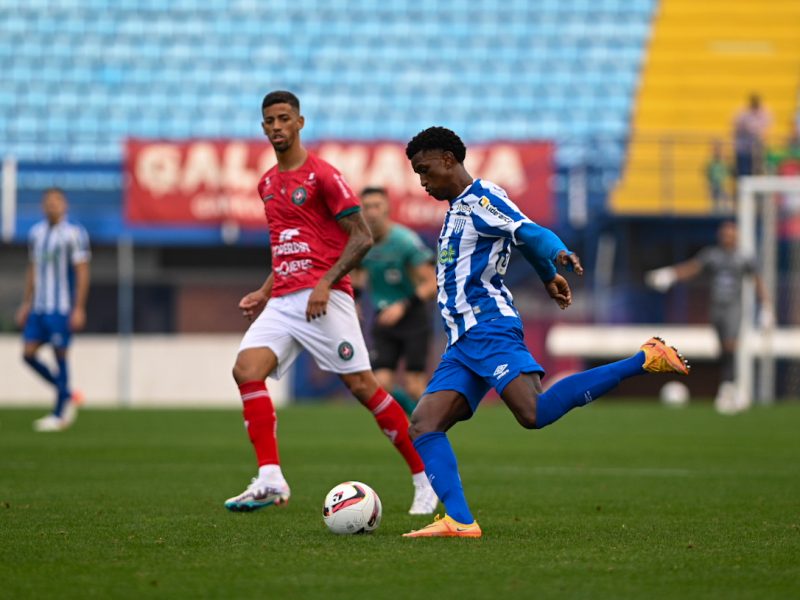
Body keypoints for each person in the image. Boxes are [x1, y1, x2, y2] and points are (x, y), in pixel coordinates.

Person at [400, 127, 690, 538]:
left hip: (489, 328)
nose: (423, 182)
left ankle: (644, 359)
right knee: (424, 424)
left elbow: (527, 231)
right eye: (416, 174)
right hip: (462, 341)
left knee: (533, 413)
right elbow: (517, 242)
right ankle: (461, 522)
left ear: (449, 159)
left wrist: (555, 255)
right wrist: (545, 274)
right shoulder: (456, 210)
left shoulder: (482, 199)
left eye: (425, 170)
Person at [225, 91, 437, 515]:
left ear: (300, 122)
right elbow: (286, 247)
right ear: (263, 127)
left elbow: (362, 237)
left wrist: (325, 283)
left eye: (285, 118)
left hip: (325, 298)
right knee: (246, 370)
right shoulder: (267, 184)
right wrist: (265, 291)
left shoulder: (322, 175)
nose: (277, 126)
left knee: (363, 387)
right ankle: (270, 477)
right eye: (269, 120)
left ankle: (423, 476)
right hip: (285, 299)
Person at [646, 220, 772, 414]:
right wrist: (671, 275)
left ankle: (728, 389)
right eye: (724, 234)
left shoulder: (744, 258)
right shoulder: (712, 255)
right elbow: (693, 268)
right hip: (716, 308)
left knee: (731, 345)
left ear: (736, 235)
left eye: (730, 233)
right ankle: (730, 386)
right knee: (723, 349)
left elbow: (757, 281)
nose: (727, 237)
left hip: (733, 308)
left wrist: (766, 308)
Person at [353, 186, 438, 415]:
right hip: (384, 318)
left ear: (387, 208)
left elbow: (431, 284)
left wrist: (403, 306)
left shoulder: (405, 241)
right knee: (380, 384)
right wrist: (356, 299)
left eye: (376, 206)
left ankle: (427, 430)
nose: (371, 212)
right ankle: (413, 425)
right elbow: (359, 272)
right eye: (366, 207)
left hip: (413, 317)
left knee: (414, 385)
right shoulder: (362, 243)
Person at [15, 188, 90, 432]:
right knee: (27, 354)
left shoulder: (74, 234)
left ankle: (60, 414)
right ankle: (67, 394)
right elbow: (33, 269)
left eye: (56, 202)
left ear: (65, 205)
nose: (52, 206)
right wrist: (26, 303)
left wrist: (79, 307)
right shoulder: (36, 233)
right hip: (39, 307)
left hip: (61, 307)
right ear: (42, 206)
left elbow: (82, 271)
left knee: (60, 355)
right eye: (48, 202)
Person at [733, 94, 771, 177]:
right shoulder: (743, 113)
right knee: (744, 173)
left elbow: (765, 130)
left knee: (758, 172)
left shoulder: (764, 112)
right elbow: (736, 127)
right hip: (744, 149)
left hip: (758, 149)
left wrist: (758, 135)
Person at [705, 140, 732, 213]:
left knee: (723, 195)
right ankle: (715, 209)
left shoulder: (722, 163)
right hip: (714, 182)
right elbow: (708, 172)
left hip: (720, 182)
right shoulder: (712, 163)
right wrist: (709, 181)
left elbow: (725, 171)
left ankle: (725, 208)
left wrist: (724, 178)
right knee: (715, 197)